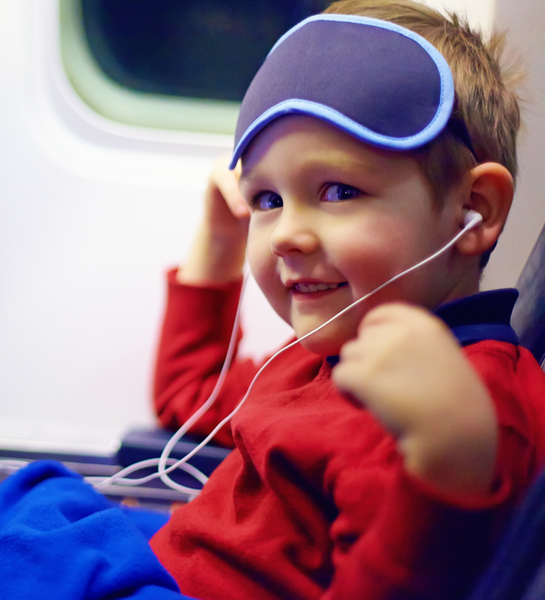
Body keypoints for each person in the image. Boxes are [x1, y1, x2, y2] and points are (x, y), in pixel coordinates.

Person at [148, 1, 545, 599]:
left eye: (338, 191)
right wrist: (220, 244)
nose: (285, 234)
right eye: (266, 199)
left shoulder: (461, 408)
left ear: (476, 210)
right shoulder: (332, 350)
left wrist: (446, 462)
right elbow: (192, 400)